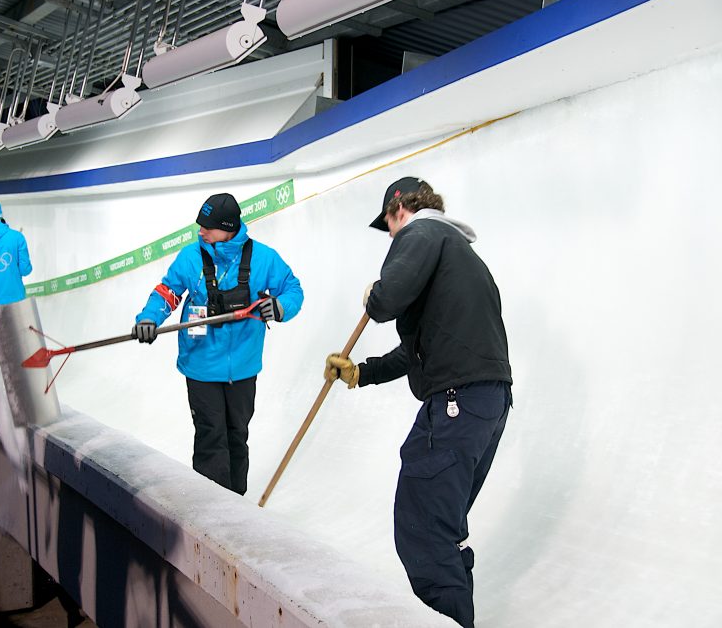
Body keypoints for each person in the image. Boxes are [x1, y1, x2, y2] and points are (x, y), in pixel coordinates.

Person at [324, 177, 512, 628]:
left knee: (424, 531)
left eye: (388, 226)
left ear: (398, 210)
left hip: (456, 404)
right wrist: (361, 372)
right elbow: (416, 352)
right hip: (485, 402)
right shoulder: (457, 254)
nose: (389, 236)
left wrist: (375, 293)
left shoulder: (421, 233)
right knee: (439, 528)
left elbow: (386, 301)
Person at [133, 193, 303, 495]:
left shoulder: (263, 258)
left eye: (207, 227)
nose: (201, 231)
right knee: (211, 436)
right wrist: (149, 319)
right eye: (200, 225)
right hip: (200, 365)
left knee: (237, 435)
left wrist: (280, 307)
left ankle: (236, 504)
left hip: (243, 366)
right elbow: (167, 292)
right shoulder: (190, 257)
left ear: (228, 228)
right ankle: (210, 510)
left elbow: (292, 289)